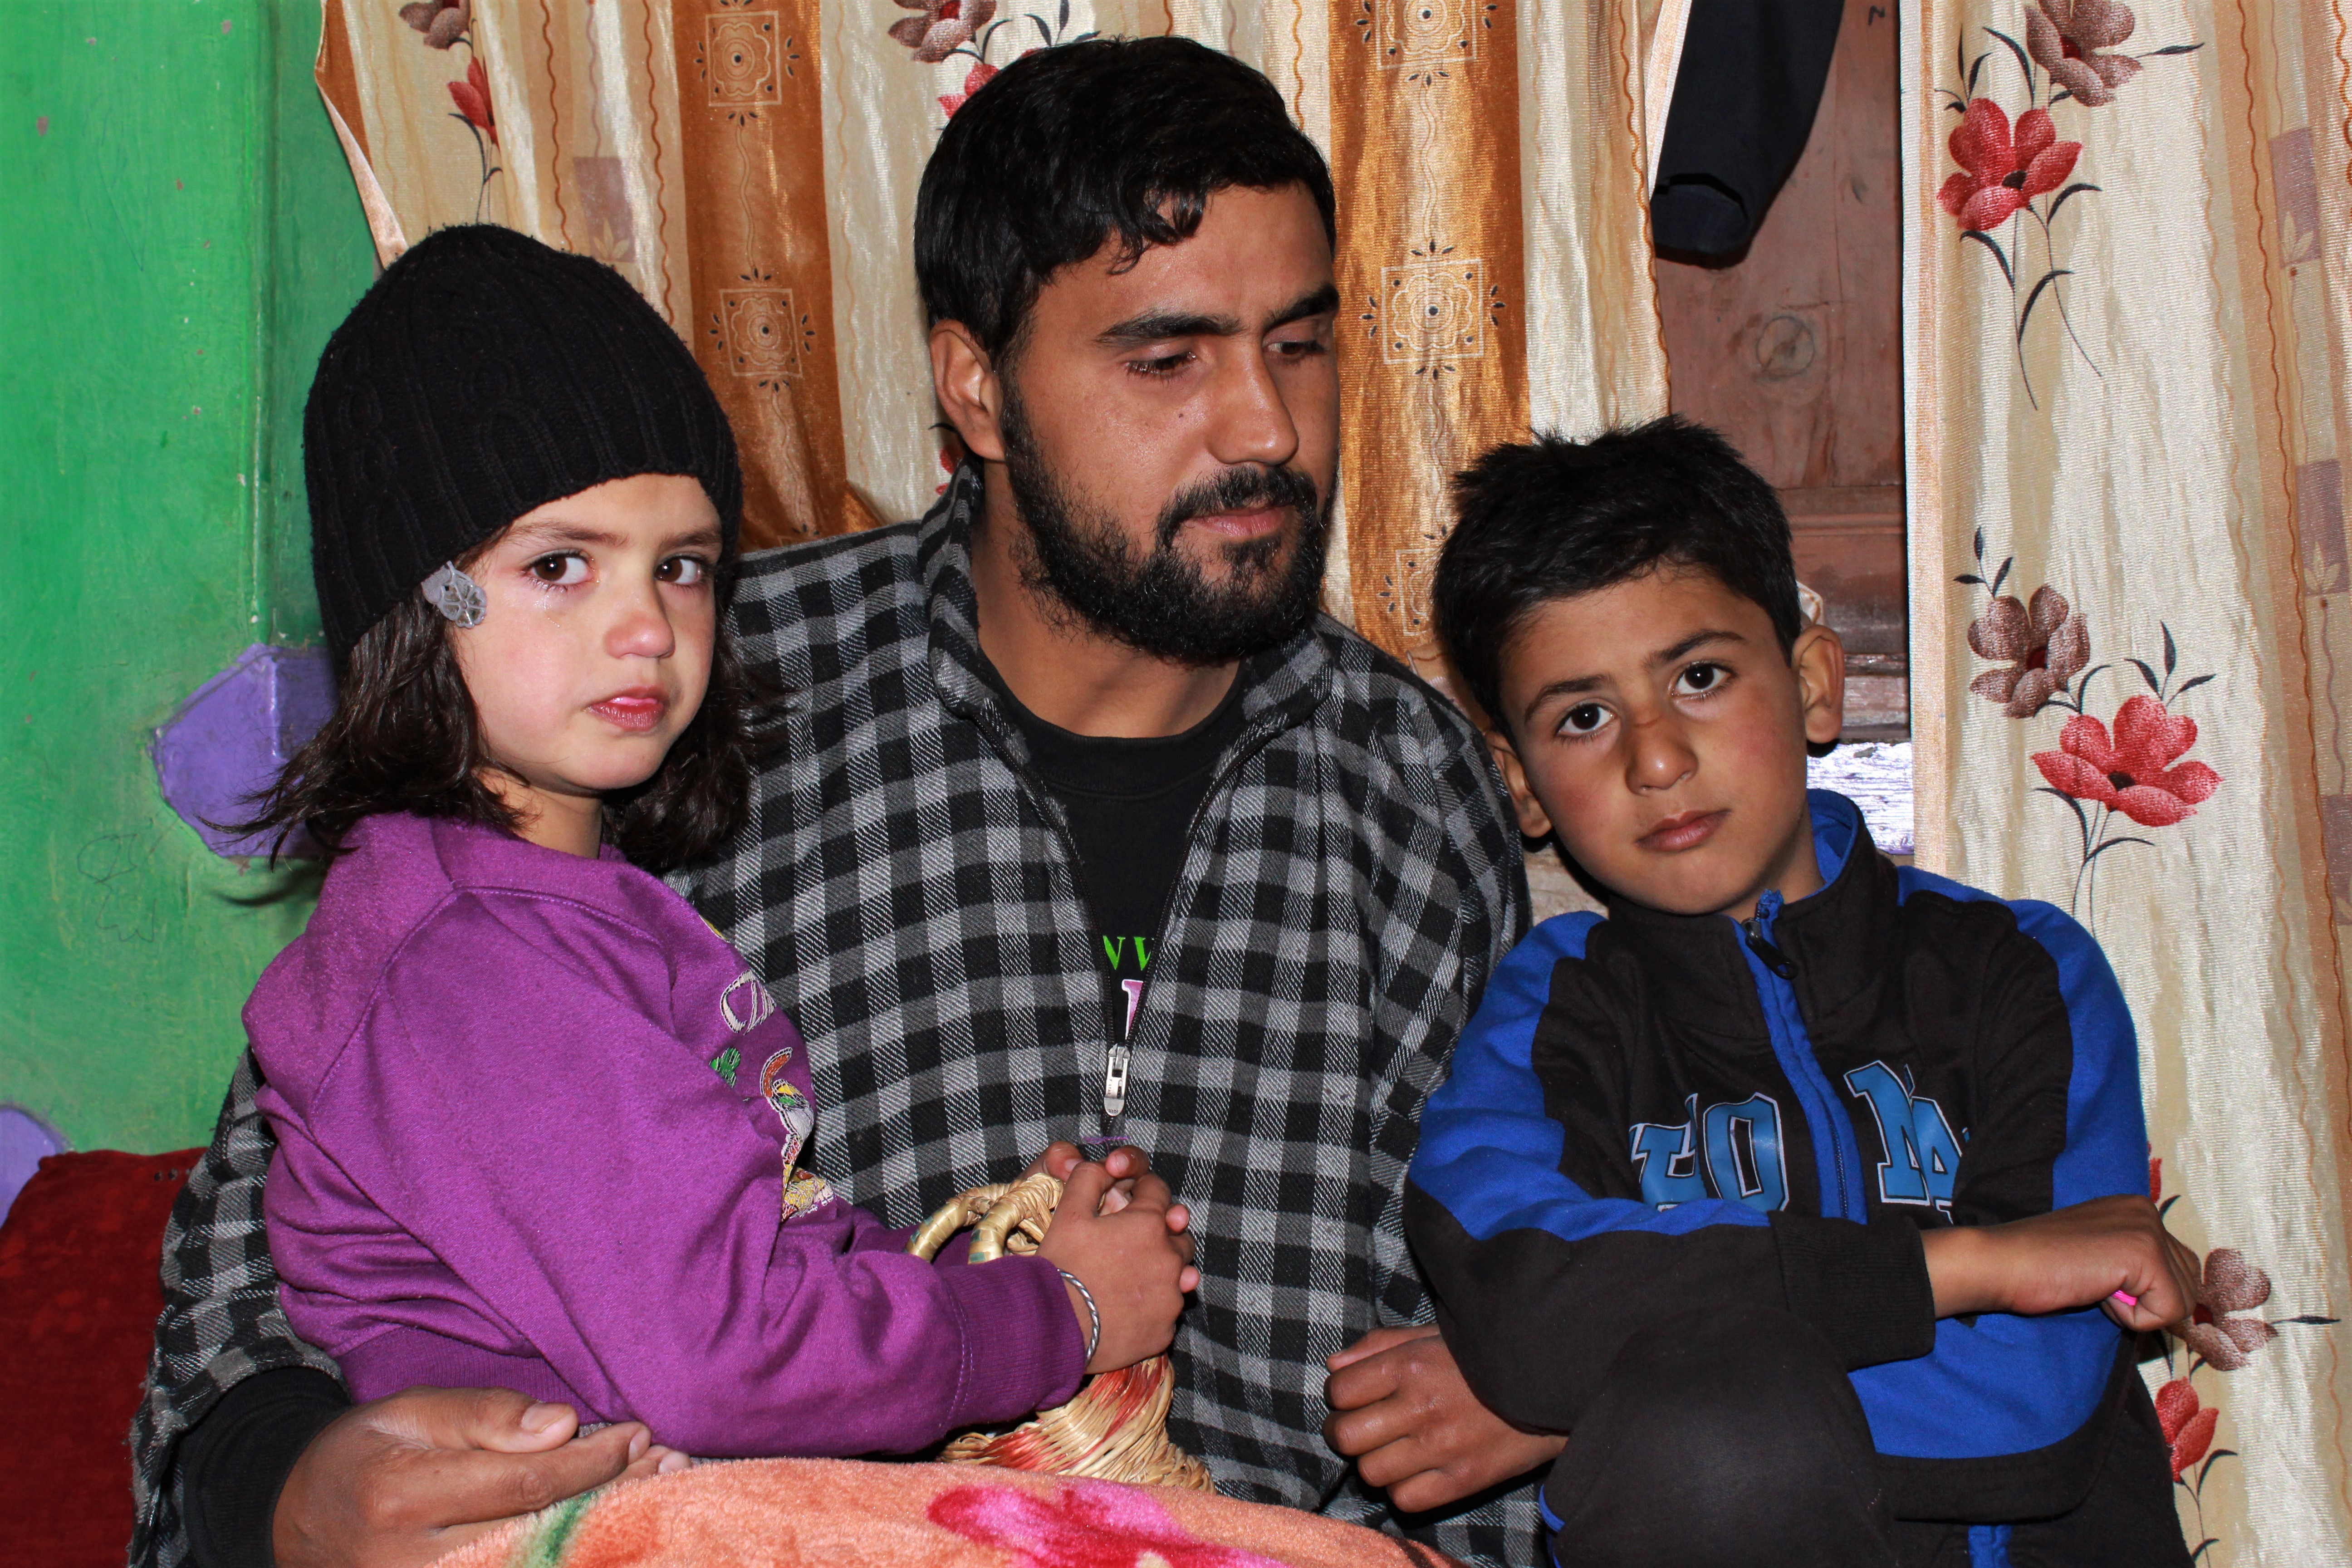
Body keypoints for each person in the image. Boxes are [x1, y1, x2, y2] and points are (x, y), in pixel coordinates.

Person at [134, 39, 1556, 1568]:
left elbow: (1507, 1320)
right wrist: (282, 1484)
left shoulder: (1408, 796)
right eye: (1167, 357)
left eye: (1298, 344)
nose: (1266, 427)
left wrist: (1566, 1370)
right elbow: (256, 1259)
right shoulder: (681, 702)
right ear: (975, 385)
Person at [1402, 417, 2202, 1566]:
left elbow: (2034, 1401)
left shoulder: (2021, 971)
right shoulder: (1545, 1019)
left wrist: (1585, 1413)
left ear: (1816, 683)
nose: (1656, 757)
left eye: (1700, 677)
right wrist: (1962, 1270)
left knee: (1711, 1431)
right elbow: (1530, 1314)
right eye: (1583, 717)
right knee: (1717, 1448)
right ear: (1524, 787)